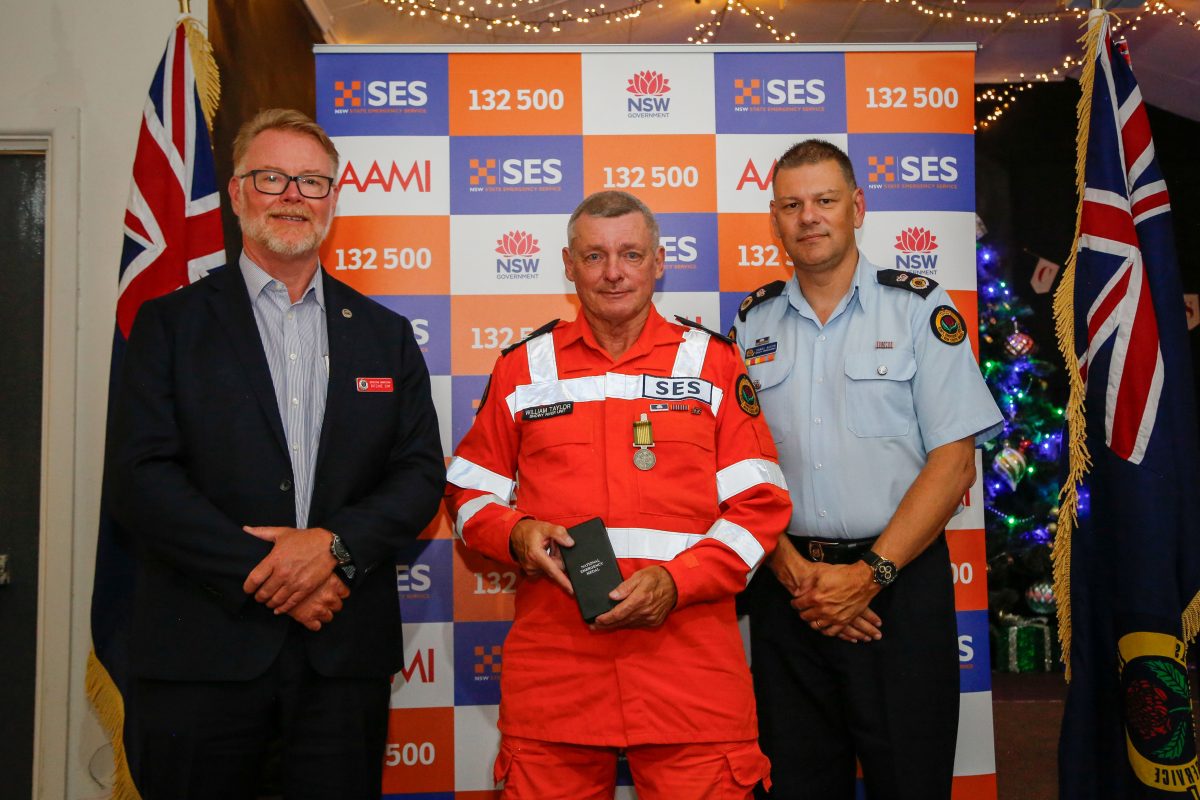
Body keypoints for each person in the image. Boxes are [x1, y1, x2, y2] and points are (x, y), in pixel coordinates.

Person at [105, 108, 445, 800]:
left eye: (312, 182)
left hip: (339, 661)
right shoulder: (168, 325)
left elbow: (418, 475)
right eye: (271, 178)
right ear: (236, 194)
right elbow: (142, 480)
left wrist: (332, 549)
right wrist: (272, 570)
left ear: (333, 199)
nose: (293, 196)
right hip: (201, 657)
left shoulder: (384, 335)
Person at [445, 191, 792, 799]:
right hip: (558, 671)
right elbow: (469, 494)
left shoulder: (712, 362)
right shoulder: (523, 367)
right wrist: (516, 534)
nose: (613, 273)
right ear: (569, 265)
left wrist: (678, 582)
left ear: (659, 262)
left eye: (631, 254)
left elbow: (760, 505)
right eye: (594, 256)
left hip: (689, 669)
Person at [730, 139, 1003, 800]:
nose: (809, 217)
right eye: (791, 205)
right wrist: (796, 575)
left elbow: (953, 464)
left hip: (898, 590)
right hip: (788, 593)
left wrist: (867, 577)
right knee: (795, 785)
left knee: (910, 782)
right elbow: (737, 467)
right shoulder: (752, 322)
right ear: (774, 220)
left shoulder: (918, 307)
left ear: (857, 207)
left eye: (825, 200)